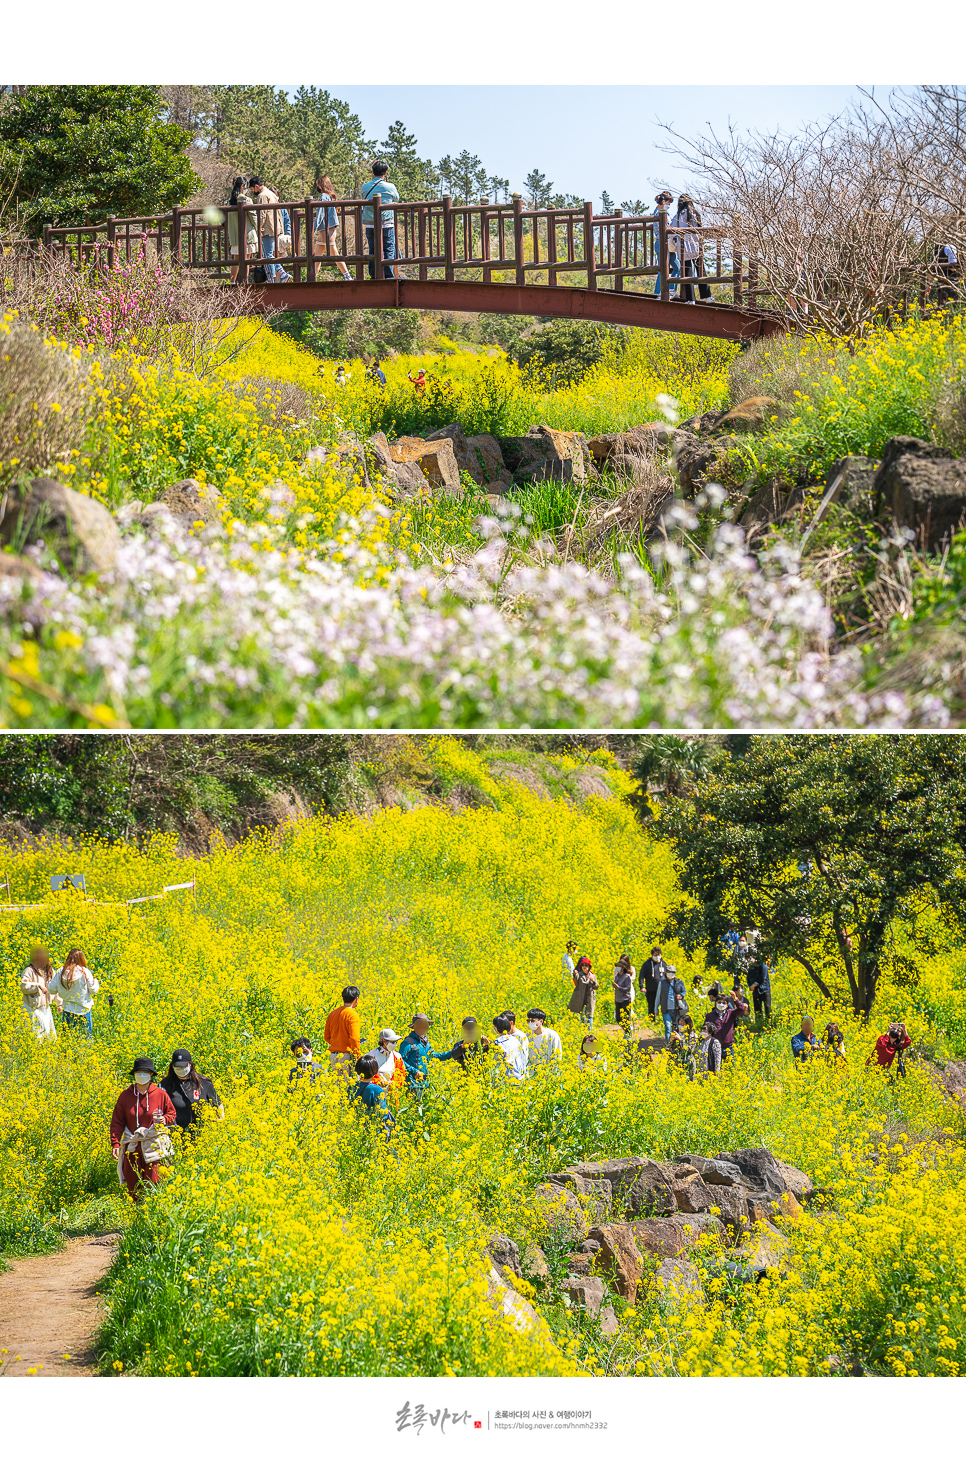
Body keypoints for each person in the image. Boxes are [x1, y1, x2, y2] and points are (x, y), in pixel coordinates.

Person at [110, 1057, 176, 1201]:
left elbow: (171, 1113)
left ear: (151, 1074)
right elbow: (117, 1121)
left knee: (154, 1182)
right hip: (132, 1144)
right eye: (138, 1072)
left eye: (145, 1072)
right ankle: (137, 1217)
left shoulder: (160, 1094)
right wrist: (115, 1143)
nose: (141, 1075)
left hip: (154, 1143)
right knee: (133, 1185)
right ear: (134, 1074)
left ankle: (153, 1216)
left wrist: (165, 1119)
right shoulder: (125, 1096)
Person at [160, 1048, 223, 1132]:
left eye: (183, 1066)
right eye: (177, 1067)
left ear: (190, 1064)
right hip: (174, 1133)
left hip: (200, 1133)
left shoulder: (204, 1083)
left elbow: (217, 1103)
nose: (180, 1069)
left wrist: (221, 1118)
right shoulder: (165, 1085)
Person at [668, 194, 713, 303]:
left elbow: (671, 232)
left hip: (683, 249)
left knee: (687, 273)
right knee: (701, 271)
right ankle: (708, 297)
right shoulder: (695, 214)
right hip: (696, 247)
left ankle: (691, 299)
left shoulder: (677, 216)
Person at [248, 177, 292, 283]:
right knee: (271, 254)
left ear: (256, 186)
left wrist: (258, 227)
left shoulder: (262, 196)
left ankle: (281, 274)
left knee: (268, 255)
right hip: (275, 227)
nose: (253, 192)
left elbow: (262, 214)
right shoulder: (271, 194)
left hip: (267, 229)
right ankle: (273, 278)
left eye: (252, 189)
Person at [361, 160, 399, 280]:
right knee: (388, 249)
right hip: (387, 223)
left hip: (370, 224)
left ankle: (373, 276)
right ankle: (388, 277)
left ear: (372, 172)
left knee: (373, 250)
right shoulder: (390, 186)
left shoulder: (365, 186)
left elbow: (363, 196)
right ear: (385, 173)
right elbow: (396, 198)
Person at [48, 948, 99, 1037]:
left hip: (68, 1009)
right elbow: (93, 991)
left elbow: (51, 989)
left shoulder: (61, 971)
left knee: (67, 1038)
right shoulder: (85, 972)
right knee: (85, 1040)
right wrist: (96, 982)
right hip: (83, 1010)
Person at [313, 175, 352, 281]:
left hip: (327, 231)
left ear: (322, 185)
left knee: (334, 255)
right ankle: (313, 277)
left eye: (318, 185)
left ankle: (347, 276)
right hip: (325, 231)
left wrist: (314, 227)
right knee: (317, 257)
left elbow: (320, 213)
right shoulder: (329, 196)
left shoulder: (324, 197)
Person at [349, 1053, 395, 1138]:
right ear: (374, 1071)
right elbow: (382, 1112)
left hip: (355, 1127)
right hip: (373, 1129)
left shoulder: (351, 1087)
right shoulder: (376, 1089)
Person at [20, 946, 61, 1040]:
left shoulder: (50, 971)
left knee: (50, 1036)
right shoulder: (29, 971)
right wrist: (38, 986)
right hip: (32, 1008)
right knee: (37, 1036)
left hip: (46, 1008)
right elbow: (24, 986)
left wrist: (59, 1004)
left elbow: (55, 988)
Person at [705, 986, 749, 1063]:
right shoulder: (710, 1016)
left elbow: (741, 1009)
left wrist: (735, 999)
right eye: (719, 1002)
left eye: (723, 1003)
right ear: (715, 1003)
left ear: (727, 1005)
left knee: (731, 1068)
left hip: (729, 1046)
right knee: (716, 1070)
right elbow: (705, 1030)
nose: (721, 1004)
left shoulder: (731, 1013)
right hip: (715, 1046)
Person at [226, 176, 258, 283]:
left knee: (236, 259)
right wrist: (259, 227)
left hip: (235, 236)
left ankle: (232, 282)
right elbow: (253, 216)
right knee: (246, 259)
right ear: (243, 186)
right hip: (247, 233)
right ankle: (245, 282)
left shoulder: (230, 201)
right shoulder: (246, 200)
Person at [324, 986, 363, 1072]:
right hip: (346, 1056)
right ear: (356, 999)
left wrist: (337, 1043)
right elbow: (354, 1038)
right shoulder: (352, 1015)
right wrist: (357, 1056)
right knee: (348, 1084)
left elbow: (327, 1037)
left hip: (333, 1056)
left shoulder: (332, 1014)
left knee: (336, 1084)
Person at [651, 190, 681, 297]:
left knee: (677, 267)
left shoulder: (663, 213)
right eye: (669, 202)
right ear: (664, 201)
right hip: (661, 242)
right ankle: (659, 292)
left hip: (668, 243)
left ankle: (671, 290)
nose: (669, 205)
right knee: (663, 268)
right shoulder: (658, 213)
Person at [399, 1013, 439, 1092]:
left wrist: (455, 1051)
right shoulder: (408, 1042)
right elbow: (400, 1061)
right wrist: (415, 1071)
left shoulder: (426, 1042)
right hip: (413, 1085)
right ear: (414, 1026)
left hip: (425, 1084)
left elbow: (434, 1056)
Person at [654, 962, 688, 1041]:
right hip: (666, 1010)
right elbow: (658, 996)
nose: (671, 974)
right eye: (669, 972)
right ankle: (668, 1044)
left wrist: (681, 995)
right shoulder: (661, 983)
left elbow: (684, 991)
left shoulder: (679, 982)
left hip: (677, 1009)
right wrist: (656, 1009)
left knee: (678, 1027)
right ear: (666, 972)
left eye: (673, 972)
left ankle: (679, 1043)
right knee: (668, 1027)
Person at [491, 1014, 527, 1083]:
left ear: (496, 1028)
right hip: (520, 1078)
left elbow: (497, 1065)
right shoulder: (515, 1040)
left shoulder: (498, 1043)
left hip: (507, 1081)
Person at [568, 955, 599, 1025]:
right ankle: (583, 1028)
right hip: (581, 998)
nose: (584, 967)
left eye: (586, 966)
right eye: (583, 965)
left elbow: (596, 987)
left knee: (589, 1016)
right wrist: (575, 974)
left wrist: (593, 981)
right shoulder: (579, 975)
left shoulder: (592, 976)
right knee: (582, 1015)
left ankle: (590, 1030)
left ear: (589, 967)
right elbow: (576, 980)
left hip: (590, 998)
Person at [667, 1013, 697, 1080]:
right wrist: (670, 1041)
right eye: (679, 1024)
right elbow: (668, 1049)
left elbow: (690, 1050)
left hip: (687, 1063)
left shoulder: (693, 1036)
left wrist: (680, 1040)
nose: (681, 1026)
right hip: (674, 1062)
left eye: (683, 1024)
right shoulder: (675, 1033)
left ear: (688, 1025)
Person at [639, 946, 665, 1018]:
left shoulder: (664, 964)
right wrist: (642, 986)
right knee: (651, 1006)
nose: (657, 957)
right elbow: (641, 976)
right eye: (655, 955)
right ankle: (652, 1021)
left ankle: (663, 1021)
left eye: (658, 955)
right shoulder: (647, 964)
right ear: (652, 955)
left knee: (664, 1005)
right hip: (651, 990)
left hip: (663, 989)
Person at [613, 953, 636, 1028]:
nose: (617, 968)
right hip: (618, 997)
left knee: (626, 1016)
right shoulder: (617, 976)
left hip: (626, 997)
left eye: (619, 966)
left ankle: (628, 1032)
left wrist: (619, 987)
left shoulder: (626, 977)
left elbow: (627, 988)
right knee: (618, 1018)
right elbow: (615, 982)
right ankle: (627, 1030)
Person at [747, 957, 772, 1023]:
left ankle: (769, 1023)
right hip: (755, 990)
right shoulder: (751, 967)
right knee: (757, 1009)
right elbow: (748, 978)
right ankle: (759, 1024)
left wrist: (754, 985)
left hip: (765, 989)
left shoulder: (763, 965)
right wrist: (750, 986)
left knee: (767, 1007)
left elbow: (763, 978)